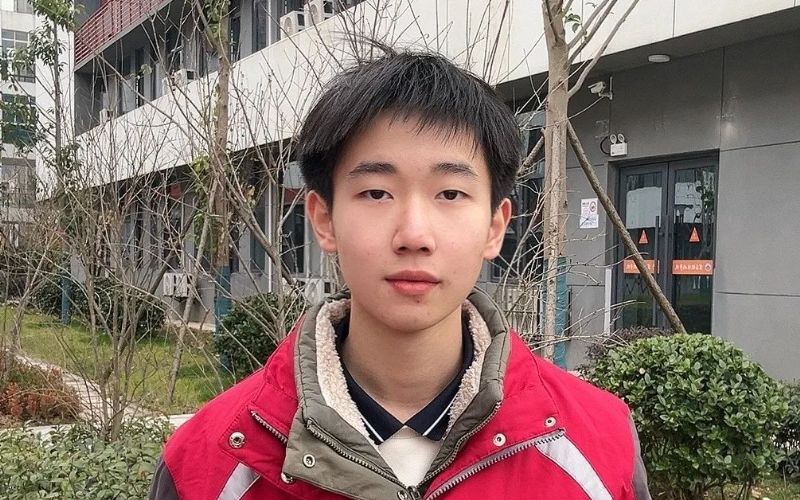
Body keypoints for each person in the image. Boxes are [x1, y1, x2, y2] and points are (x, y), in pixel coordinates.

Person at [150, 48, 651, 499]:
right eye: (376, 193)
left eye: (450, 194)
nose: (414, 234)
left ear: (495, 227)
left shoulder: (598, 446)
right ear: (324, 220)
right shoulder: (209, 462)